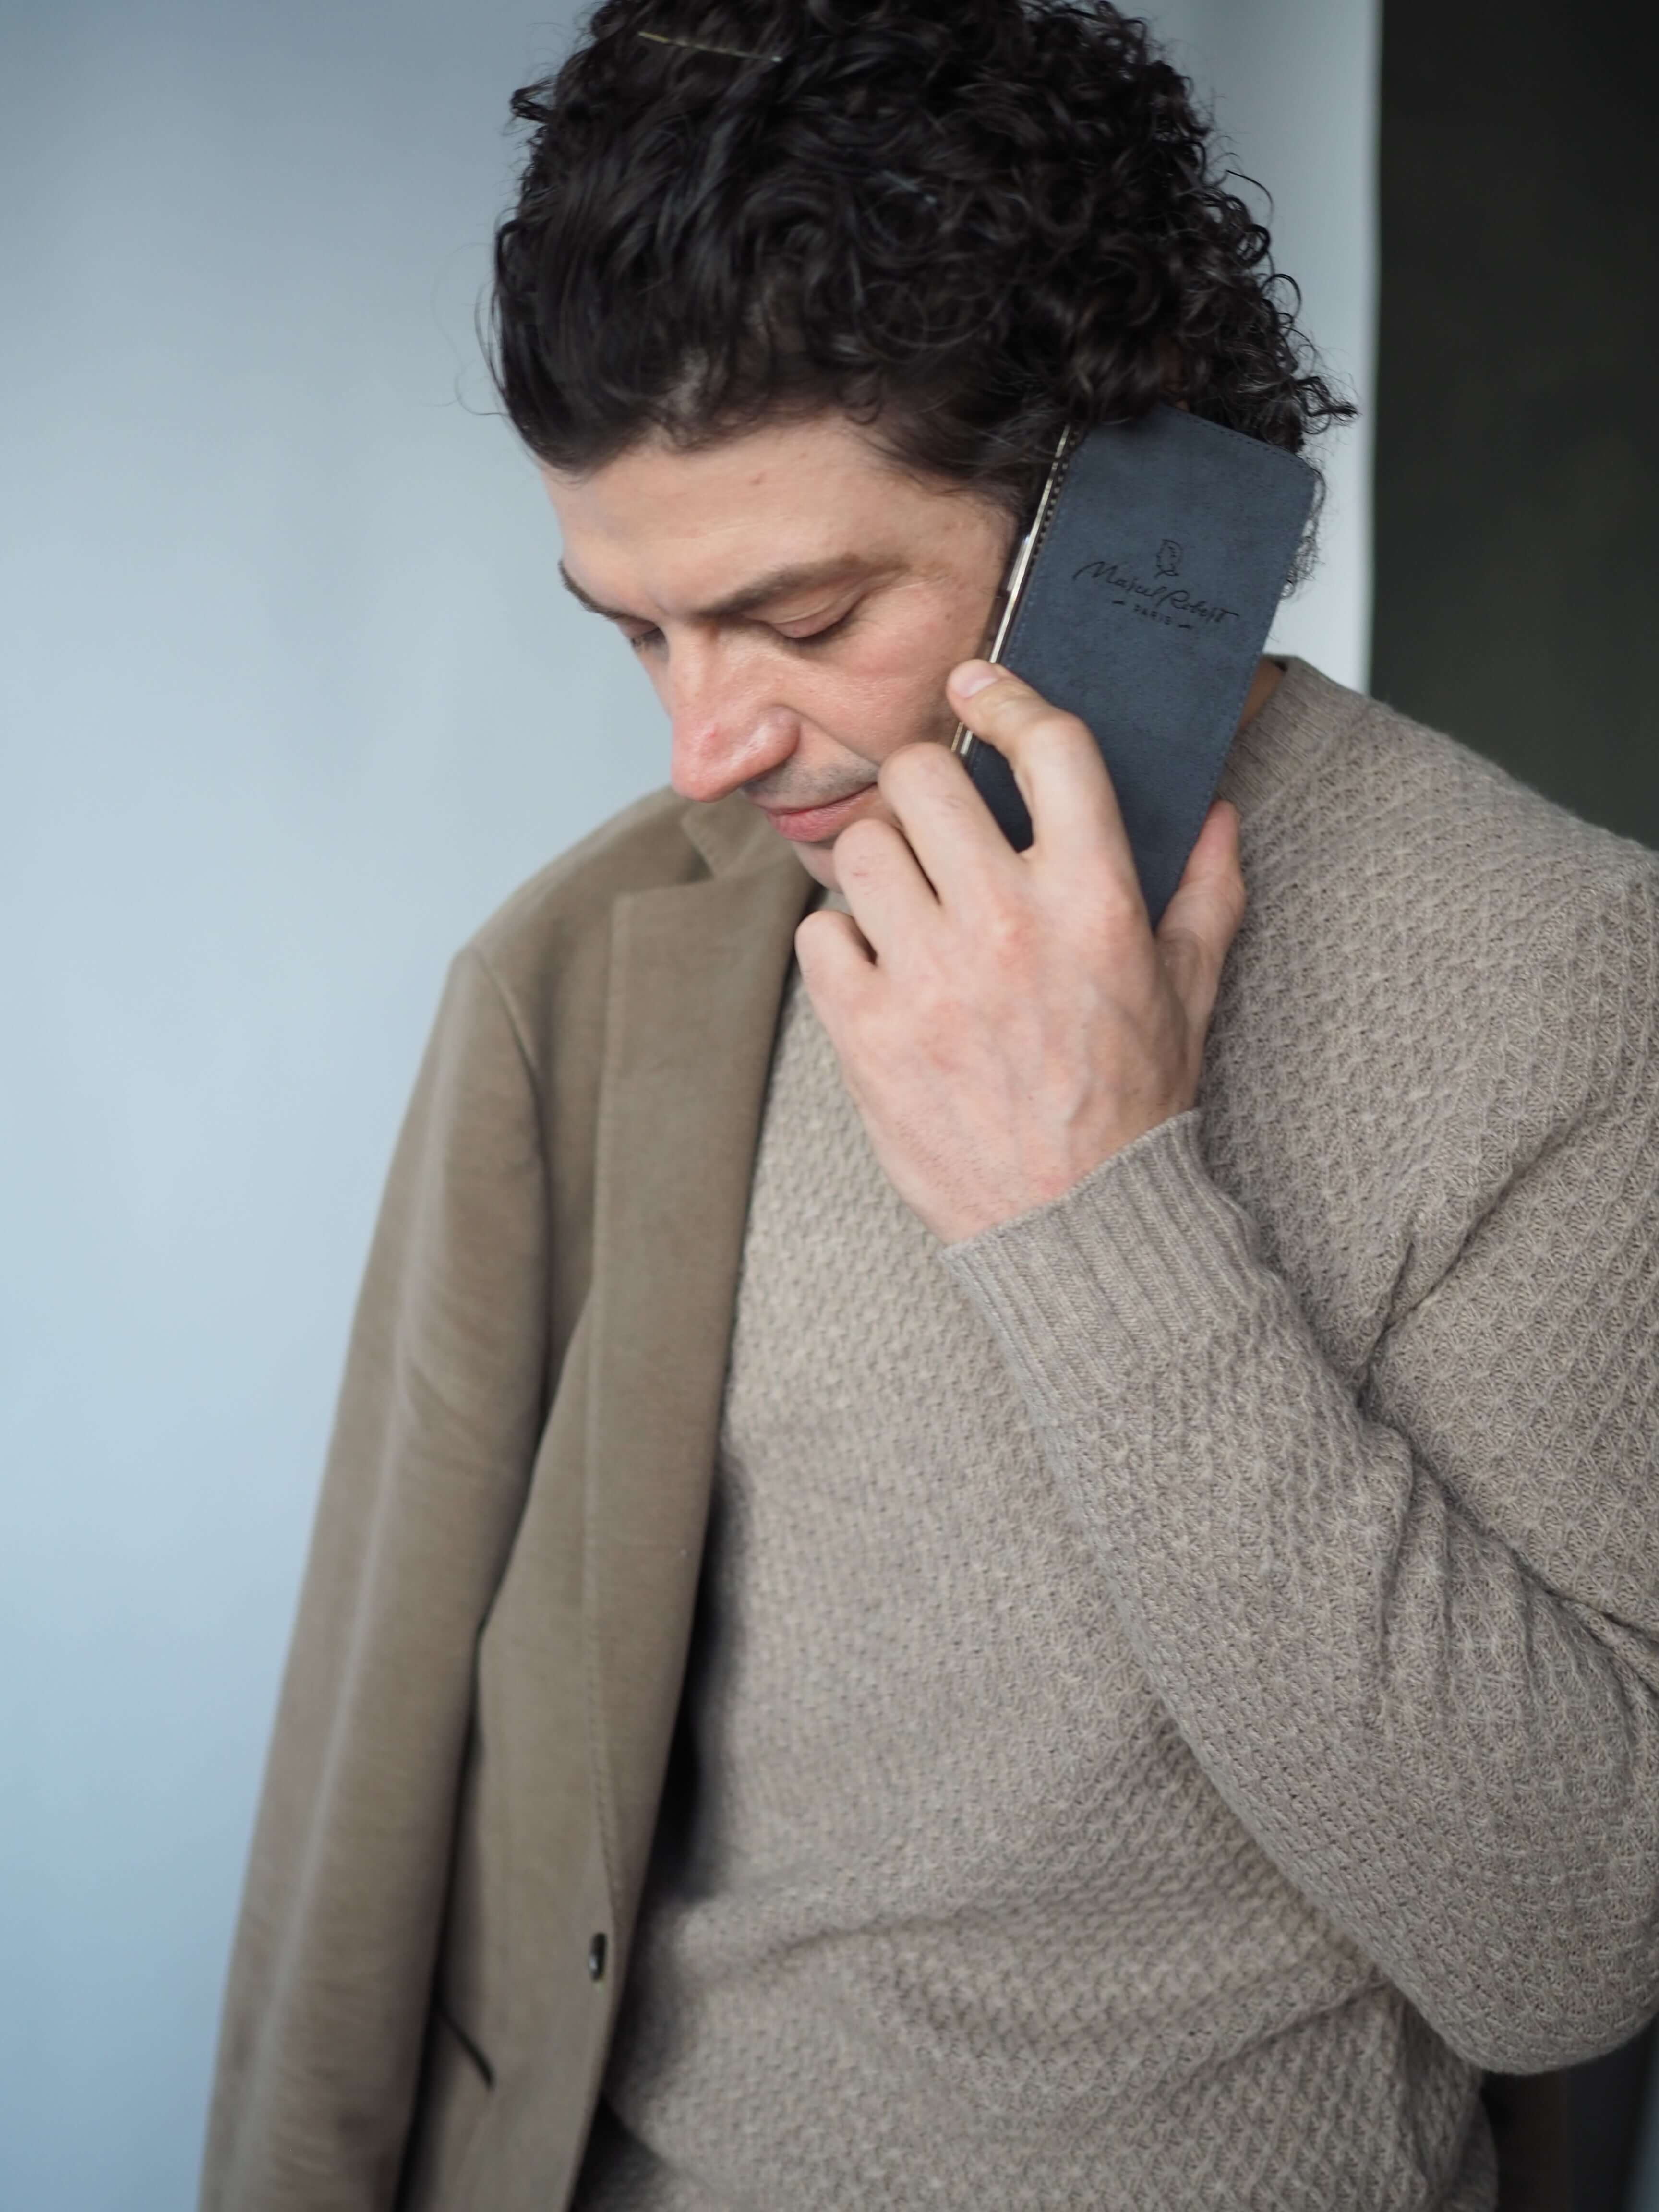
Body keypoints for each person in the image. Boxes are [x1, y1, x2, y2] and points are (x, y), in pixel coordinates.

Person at [198, 4, 1659, 2208]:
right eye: (639, 634)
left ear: (1123, 493)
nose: (707, 747)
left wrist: (1091, 1197)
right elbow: (364, 1809)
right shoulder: (589, 977)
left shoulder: (1569, 988)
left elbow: (1566, 1944)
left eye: (799, 615)